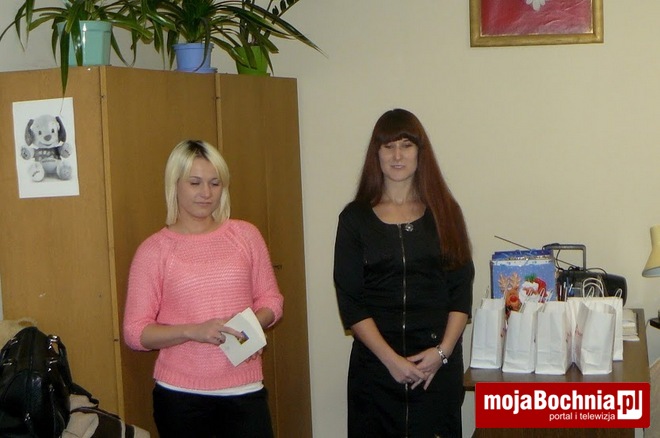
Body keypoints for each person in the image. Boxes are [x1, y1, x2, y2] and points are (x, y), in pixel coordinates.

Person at [123, 140, 283, 438]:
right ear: (175, 184)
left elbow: (272, 301)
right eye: (195, 183)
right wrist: (192, 331)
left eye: (215, 183)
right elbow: (135, 332)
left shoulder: (245, 235)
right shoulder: (154, 250)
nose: (206, 193)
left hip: (244, 390)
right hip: (181, 398)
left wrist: (247, 325)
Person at [333, 109, 474, 438]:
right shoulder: (354, 219)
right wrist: (391, 361)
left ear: (420, 153)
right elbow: (351, 301)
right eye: (388, 146)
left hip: (436, 368)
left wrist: (442, 353)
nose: (397, 156)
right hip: (377, 370)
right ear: (377, 154)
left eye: (406, 145)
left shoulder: (446, 212)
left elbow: (460, 293)